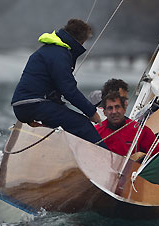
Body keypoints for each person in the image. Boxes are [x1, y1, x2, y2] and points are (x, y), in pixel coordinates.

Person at [11, 19, 107, 148]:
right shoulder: (59, 54)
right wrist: (91, 113)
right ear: (80, 40)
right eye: (84, 42)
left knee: (64, 119)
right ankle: (107, 158)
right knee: (82, 124)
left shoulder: (51, 49)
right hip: (33, 104)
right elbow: (69, 90)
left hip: (23, 105)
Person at [96, 91, 159, 157]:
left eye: (117, 107)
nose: (114, 112)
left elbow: (157, 157)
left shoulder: (141, 131)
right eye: (110, 108)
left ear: (124, 109)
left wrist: (140, 156)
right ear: (104, 112)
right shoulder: (96, 132)